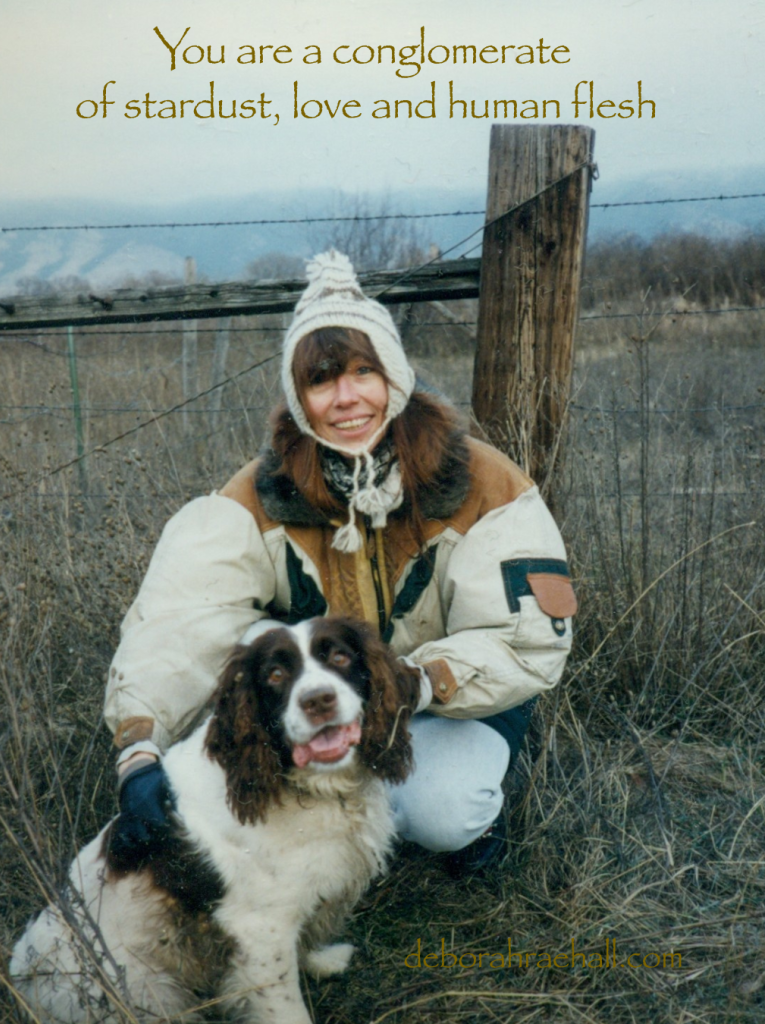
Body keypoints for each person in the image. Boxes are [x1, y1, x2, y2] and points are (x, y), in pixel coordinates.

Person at [104, 250, 576, 875]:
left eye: (363, 372)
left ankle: (475, 814)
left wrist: (410, 683)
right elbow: (179, 618)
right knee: (246, 655)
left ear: (394, 378)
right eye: (321, 380)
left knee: (439, 810)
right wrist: (139, 752)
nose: (347, 398)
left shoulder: (486, 483)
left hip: (446, 696)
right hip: (322, 695)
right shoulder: (259, 494)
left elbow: (524, 641)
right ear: (300, 399)